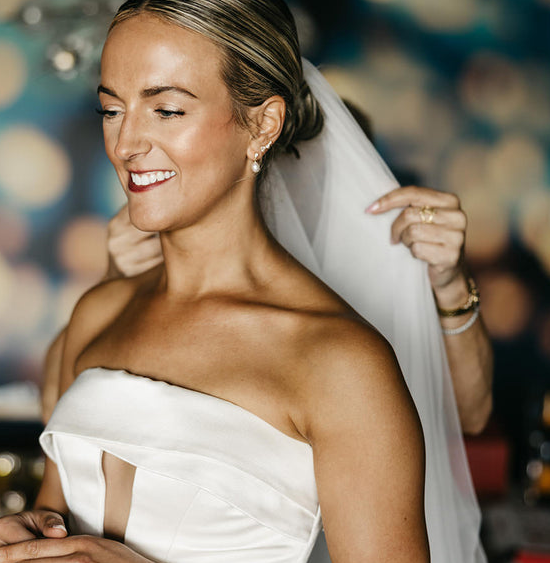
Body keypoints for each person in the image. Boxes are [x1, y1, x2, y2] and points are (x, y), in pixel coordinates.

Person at [0, 0, 550, 563]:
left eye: (166, 108)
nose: (127, 142)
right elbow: (67, 518)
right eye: (111, 108)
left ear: (261, 123)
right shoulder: (101, 313)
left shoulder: (337, 360)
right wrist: (30, 546)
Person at [42, 182, 494, 433]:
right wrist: (115, 281)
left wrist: (451, 285)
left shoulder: (393, 232)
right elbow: (60, 421)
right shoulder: (182, 227)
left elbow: (470, 416)